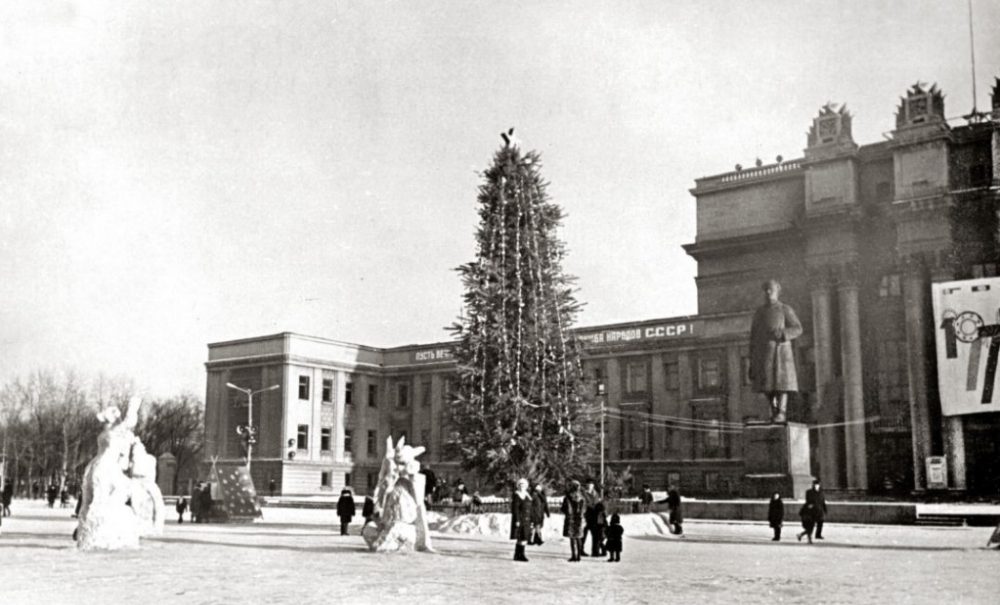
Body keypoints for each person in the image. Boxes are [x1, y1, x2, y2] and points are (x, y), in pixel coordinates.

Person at [749, 279, 803, 423]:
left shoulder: (785, 309)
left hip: (780, 353)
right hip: (764, 353)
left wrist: (784, 333)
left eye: (770, 289)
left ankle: (781, 412)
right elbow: (753, 337)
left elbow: (798, 328)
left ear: (777, 291)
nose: (768, 292)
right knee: (767, 387)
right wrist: (752, 360)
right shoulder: (759, 313)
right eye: (766, 290)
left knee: (781, 385)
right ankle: (773, 412)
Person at [561, 479, 586, 562]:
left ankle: (573, 556)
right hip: (579, 519)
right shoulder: (581, 497)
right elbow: (584, 509)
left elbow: (563, 508)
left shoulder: (568, 497)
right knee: (578, 537)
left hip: (570, 518)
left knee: (572, 538)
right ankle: (578, 556)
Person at [510, 478, 533, 562]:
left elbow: (531, 508)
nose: (522, 486)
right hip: (520, 520)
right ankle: (519, 554)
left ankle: (519, 554)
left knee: (524, 538)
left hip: (527, 520)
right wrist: (517, 520)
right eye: (520, 485)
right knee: (521, 538)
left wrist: (532, 520)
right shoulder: (517, 495)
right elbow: (515, 509)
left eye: (523, 485)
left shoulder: (527, 495)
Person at [582, 480, 606, 556]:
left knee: (596, 535)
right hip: (586, 516)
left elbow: (597, 504)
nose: (589, 486)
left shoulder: (596, 494)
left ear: (593, 486)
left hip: (595, 517)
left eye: (590, 485)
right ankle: (580, 550)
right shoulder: (583, 494)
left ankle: (595, 551)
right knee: (583, 535)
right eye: (588, 484)